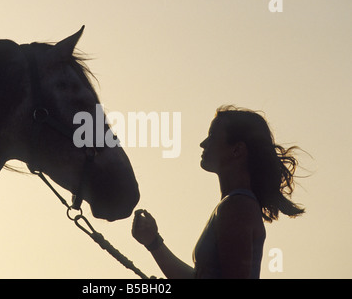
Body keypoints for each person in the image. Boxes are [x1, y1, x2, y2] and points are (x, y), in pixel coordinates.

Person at [131, 105, 305, 279]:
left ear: (237, 150)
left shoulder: (237, 207)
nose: (203, 143)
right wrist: (153, 242)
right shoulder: (234, 205)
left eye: (212, 136)